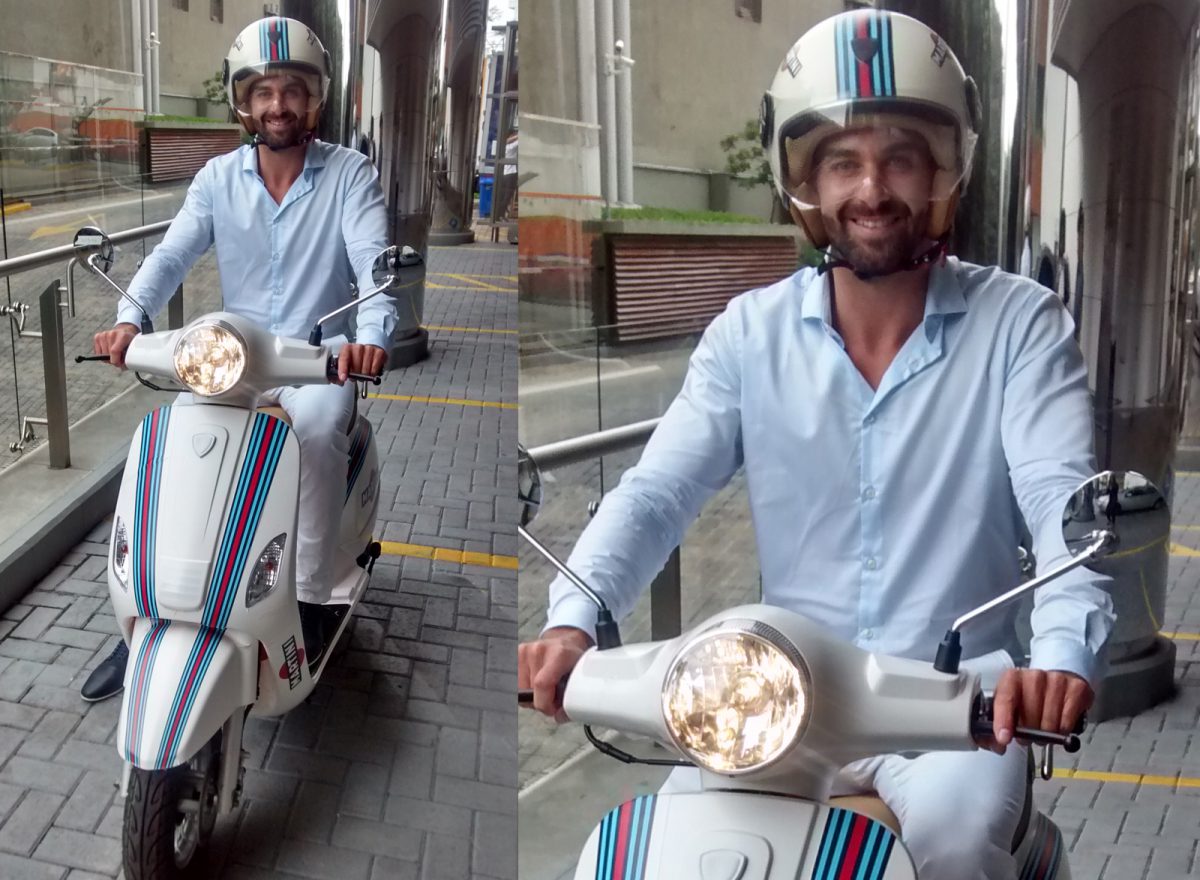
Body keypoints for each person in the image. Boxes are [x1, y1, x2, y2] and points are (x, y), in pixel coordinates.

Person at [517, 10, 1113, 880]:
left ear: (944, 170)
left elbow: (1062, 501)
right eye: (842, 161)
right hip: (774, 700)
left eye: (900, 158)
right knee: (662, 854)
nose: (871, 189)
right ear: (803, 180)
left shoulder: (1021, 324)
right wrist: (573, 617)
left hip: (952, 713)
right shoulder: (747, 334)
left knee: (952, 852)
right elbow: (656, 493)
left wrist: (1059, 657)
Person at [81, 16, 395, 701]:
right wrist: (129, 319)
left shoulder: (350, 174)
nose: (277, 105)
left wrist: (372, 335)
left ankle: (308, 600)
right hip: (236, 357)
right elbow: (172, 254)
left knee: (317, 433)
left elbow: (373, 263)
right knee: (179, 440)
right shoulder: (217, 179)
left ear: (314, 99)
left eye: (292, 90)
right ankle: (151, 615)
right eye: (262, 92)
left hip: (318, 358)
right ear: (243, 103)